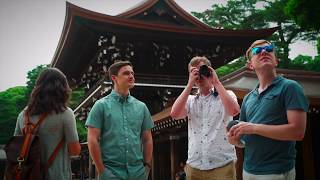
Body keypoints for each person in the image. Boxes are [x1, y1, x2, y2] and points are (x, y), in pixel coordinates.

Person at [228, 39, 309, 180]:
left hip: (276, 172)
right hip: (248, 171)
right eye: (257, 51)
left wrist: (253, 128)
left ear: (276, 61)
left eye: (269, 49)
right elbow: (246, 139)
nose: (264, 52)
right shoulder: (248, 98)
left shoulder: (290, 87)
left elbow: (298, 132)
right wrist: (236, 141)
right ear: (250, 65)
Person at [171, 56, 240, 180]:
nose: (199, 75)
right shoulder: (190, 101)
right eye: (194, 72)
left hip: (222, 165)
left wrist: (216, 82)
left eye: (202, 71)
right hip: (194, 166)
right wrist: (189, 84)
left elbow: (234, 111)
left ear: (209, 70)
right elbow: (175, 114)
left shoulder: (226, 94)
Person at [86, 60, 154, 180]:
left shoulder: (141, 107)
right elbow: (92, 139)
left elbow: (147, 139)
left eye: (132, 73)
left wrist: (147, 166)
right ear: (114, 78)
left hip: (138, 173)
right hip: (111, 173)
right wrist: (101, 170)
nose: (131, 76)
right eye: (126, 73)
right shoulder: (100, 106)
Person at [14, 67, 81, 180]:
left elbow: (15, 146)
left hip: (27, 175)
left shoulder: (23, 115)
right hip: (57, 175)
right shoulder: (65, 113)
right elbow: (75, 150)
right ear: (63, 88)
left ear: (38, 87)